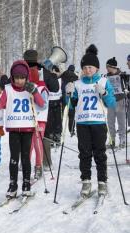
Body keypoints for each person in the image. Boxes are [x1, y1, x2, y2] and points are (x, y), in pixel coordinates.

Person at [65, 44, 116, 197]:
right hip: (82, 124)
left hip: (99, 123)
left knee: (100, 153)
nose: (88, 70)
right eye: (85, 67)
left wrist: (105, 93)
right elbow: (71, 105)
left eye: (91, 67)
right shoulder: (78, 84)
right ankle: (86, 181)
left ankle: (102, 181)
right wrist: (68, 94)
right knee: (84, 154)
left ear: (97, 68)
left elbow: (111, 103)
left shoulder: (103, 81)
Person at [0, 60, 45, 198]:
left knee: (25, 158)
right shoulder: (8, 89)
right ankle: (13, 184)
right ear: (12, 77)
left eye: (22, 78)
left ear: (27, 77)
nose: (19, 81)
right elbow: (0, 106)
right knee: (14, 158)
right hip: (14, 129)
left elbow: (42, 104)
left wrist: (34, 91)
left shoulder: (31, 87)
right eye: (16, 78)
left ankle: (26, 183)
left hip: (28, 128)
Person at [28, 65, 49, 178]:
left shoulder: (42, 88)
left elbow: (44, 105)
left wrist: (35, 100)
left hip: (39, 119)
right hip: (27, 120)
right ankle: (26, 165)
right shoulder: (25, 87)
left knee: (37, 143)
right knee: (28, 144)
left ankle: (38, 167)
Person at [105, 57, 126, 148]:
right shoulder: (106, 76)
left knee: (121, 121)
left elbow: (126, 86)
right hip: (111, 101)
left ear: (112, 66)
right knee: (110, 122)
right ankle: (112, 140)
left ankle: (122, 139)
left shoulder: (121, 75)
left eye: (107, 66)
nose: (106, 68)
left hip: (120, 100)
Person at [60, 65, 79, 136]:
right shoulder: (75, 77)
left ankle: (59, 130)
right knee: (71, 115)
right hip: (70, 96)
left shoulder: (64, 74)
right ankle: (71, 130)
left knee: (61, 115)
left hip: (63, 95)